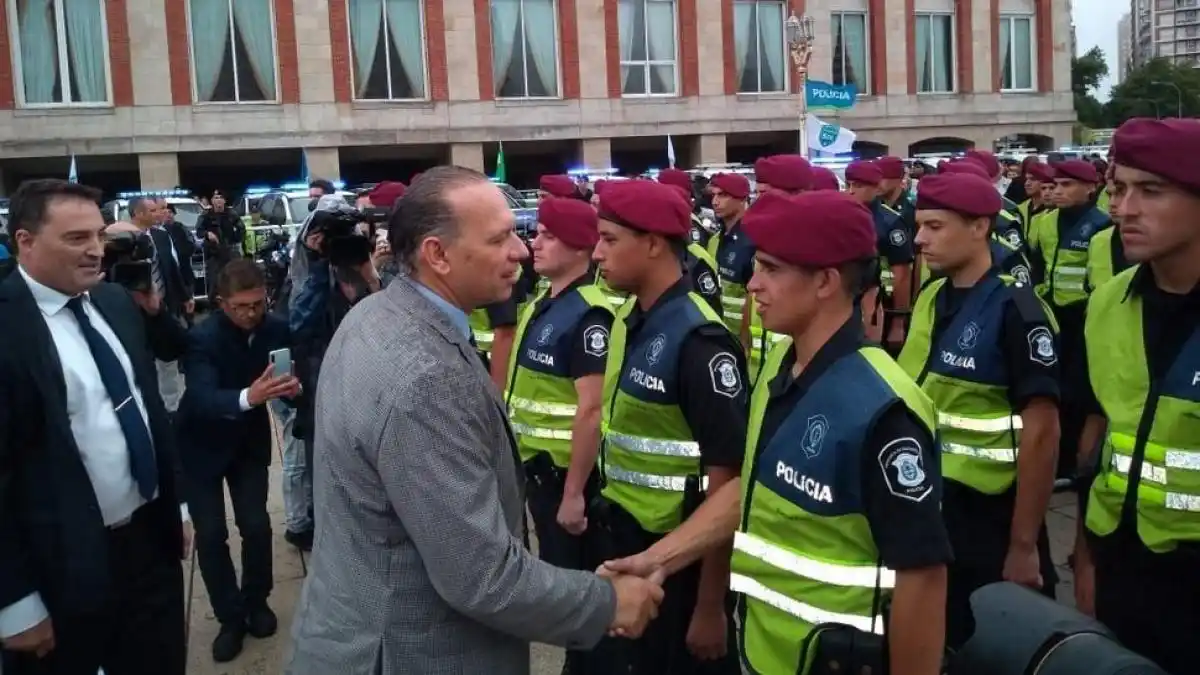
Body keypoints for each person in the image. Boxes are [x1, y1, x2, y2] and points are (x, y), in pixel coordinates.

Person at [286, 166, 665, 675]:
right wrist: (607, 602)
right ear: (437, 255)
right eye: (500, 238)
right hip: (411, 653)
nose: (521, 251)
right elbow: (481, 576)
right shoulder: (426, 381)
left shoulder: (374, 316)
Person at [602, 190, 952, 675]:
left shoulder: (882, 409)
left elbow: (924, 577)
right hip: (767, 653)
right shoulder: (779, 369)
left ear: (826, 281)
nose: (752, 285)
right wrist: (658, 559)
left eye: (771, 269)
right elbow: (750, 485)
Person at [0, 179, 190, 675]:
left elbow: (150, 411)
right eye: (76, 238)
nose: (94, 251)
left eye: (99, 235)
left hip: (150, 545)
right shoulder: (8, 328)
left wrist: (178, 505)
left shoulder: (114, 303)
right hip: (61, 566)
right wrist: (14, 601)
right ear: (25, 241)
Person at [898, 173, 1061, 653]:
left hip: (991, 515)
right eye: (918, 225)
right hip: (933, 503)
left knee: (1003, 643)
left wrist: (1024, 545)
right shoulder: (932, 296)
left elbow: (1043, 434)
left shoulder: (1018, 309)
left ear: (979, 227)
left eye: (934, 226)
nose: (919, 238)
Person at [589, 179, 746, 675]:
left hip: (682, 566)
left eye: (610, 240)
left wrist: (709, 607)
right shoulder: (632, 320)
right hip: (630, 540)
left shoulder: (699, 341)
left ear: (654, 243)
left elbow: (729, 482)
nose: (597, 253)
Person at [1072, 118, 1200, 675]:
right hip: (1120, 566)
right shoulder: (1107, 304)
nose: (1124, 209)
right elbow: (1097, 440)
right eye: (1119, 188)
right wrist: (1082, 555)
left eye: (1151, 191)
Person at [506, 197, 613, 675]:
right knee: (557, 579)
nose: (536, 241)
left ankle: (585, 665)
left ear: (578, 248)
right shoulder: (545, 303)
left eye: (548, 235)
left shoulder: (590, 314)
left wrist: (573, 494)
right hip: (539, 474)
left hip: (569, 480)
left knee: (576, 588)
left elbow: (591, 410)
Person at [178, 259, 299, 662]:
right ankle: (229, 616)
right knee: (211, 536)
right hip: (202, 444)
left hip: (247, 444)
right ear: (221, 303)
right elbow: (200, 397)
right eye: (241, 306)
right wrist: (251, 396)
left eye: (257, 304)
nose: (251, 313)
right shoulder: (202, 338)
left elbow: (297, 377)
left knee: (257, 525)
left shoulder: (276, 328)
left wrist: (294, 388)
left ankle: (256, 599)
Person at [845, 160, 913, 349]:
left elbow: (900, 275)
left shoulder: (889, 223)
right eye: (848, 184)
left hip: (881, 306)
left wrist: (898, 322)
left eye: (858, 186)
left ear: (876, 188)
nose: (851, 191)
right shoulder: (842, 217)